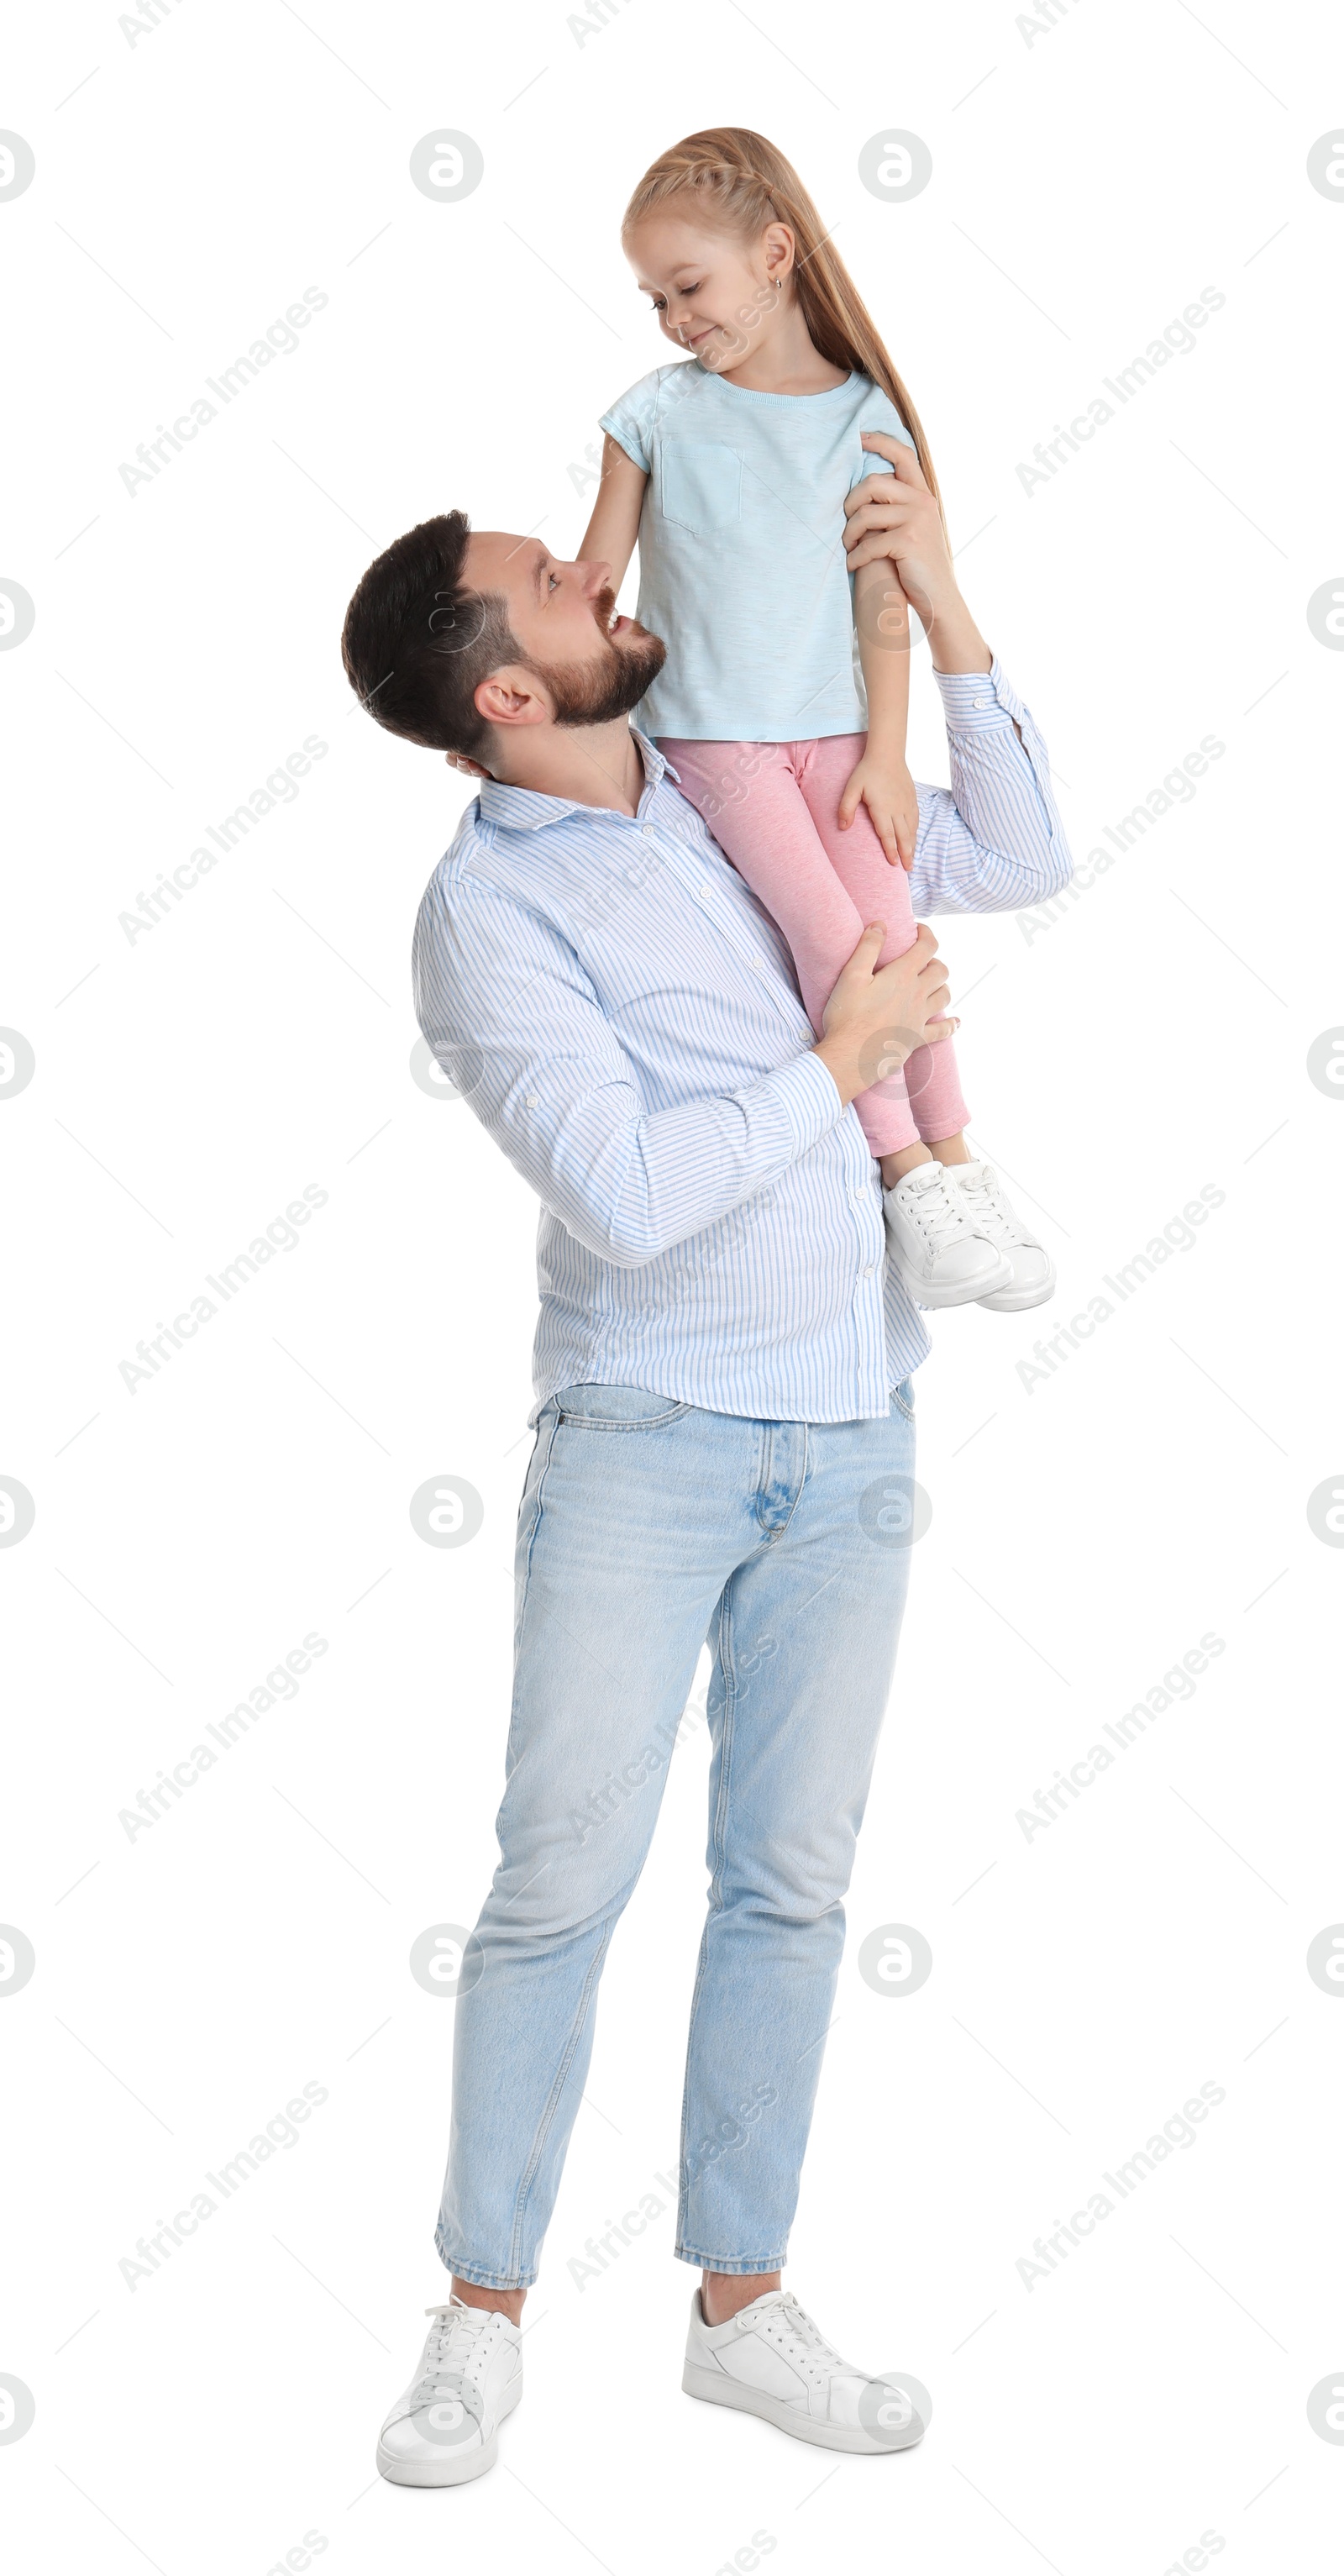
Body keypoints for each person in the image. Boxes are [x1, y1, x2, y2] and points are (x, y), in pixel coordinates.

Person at [339, 465, 1071, 2484]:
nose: (595, 571)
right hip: (647, 1441)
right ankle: (479, 2316)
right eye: (548, 585)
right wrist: (832, 1071)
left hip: (852, 1422)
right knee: (558, 1884)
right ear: (500, 696)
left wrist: (944, 607)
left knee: (790, 1891)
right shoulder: (484, 920)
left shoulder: (724, 766)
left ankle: (738, 2309)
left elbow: (1018, 848)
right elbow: (632, 1195)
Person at [585, 125, 1054, 1312]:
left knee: (892, 932)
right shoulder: (651, 415)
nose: (673, 319)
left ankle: (955, 1159)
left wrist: (889, 758)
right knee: (834, 944)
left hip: (839, 739)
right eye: (653, 299)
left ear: (777, 254)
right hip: (713, 742)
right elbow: (599, 568)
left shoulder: (866, 417)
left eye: (686, 288)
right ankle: (902, 1174)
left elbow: (881, 601)